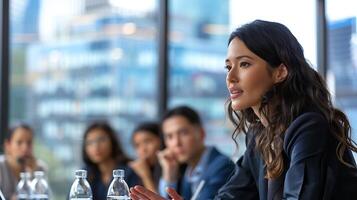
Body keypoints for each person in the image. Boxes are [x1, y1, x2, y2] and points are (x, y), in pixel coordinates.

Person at [130, 20, 357, 200]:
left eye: (244, 64)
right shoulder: (259, 135)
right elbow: (231, 196)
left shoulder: (308, 126)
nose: (230, 77)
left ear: (280, 72)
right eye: (228, 66)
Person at [155, 106, 234, 199]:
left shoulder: (222, 166)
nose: (176, 143)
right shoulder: (188, 168)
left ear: (201, 133)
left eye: (183, 133)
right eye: (169, 136)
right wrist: (169, 174)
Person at [82, 122, 141, 200]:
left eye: (101, 140)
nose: (96, 147)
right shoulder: (86, 174)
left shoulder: (129, 171)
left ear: (112, 142)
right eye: (90, 142)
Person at [0, 123, 46, 200]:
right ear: (8, 145)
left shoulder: (39, 168)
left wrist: (32, 174)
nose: (25, 148)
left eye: (29, 143)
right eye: (19, 142)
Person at [130, 122, 164, 193]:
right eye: (137, 145)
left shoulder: (169, 168)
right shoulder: (134, 170)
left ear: (162, 140)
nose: (143, 149)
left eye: (147, 141)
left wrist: (146, 177)